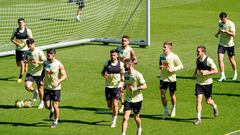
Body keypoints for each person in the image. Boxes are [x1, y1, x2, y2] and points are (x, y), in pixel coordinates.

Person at [193, 45, 219, 125]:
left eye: (198, 51)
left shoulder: (209, 60)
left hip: (208, 83)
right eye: (197, 51)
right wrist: (194, 74)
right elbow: (197, 68)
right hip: (199, 83)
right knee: (198, 100)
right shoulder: (197, 59)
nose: (197, 52)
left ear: (203, 52)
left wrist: (206, 72)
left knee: (208, 101)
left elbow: (216, 71)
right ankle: (198, 119)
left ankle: (214, 106)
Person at [122, 58, 147, 135]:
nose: (124, 65)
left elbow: (145, 86)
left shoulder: (137, 74)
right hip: (128, 99)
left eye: (125, 64)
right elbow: (127, 84)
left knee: (136, 118)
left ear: (130, 65)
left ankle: (139, 128)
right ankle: (123, 133)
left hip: (137, 100)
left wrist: (136, 88)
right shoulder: (125, 74)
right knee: (125, 118)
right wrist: (124, 88)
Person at [43, 48, 67, 128]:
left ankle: (55, 121)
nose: (48, 55)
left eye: (49, 54)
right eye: (47, 54)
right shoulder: (45, 63)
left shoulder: (59, 64)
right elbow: (44, 71)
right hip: (46, 87)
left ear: (54, 55)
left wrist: (57, 82)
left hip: (56, 89)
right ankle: (52, 110)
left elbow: (65, 76)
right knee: (47, 106)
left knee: (56, 105)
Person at [159, 41, 183, 119]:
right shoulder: (161, 56)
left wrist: (173, 69)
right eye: (163, 46)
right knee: (162, 95)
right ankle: (166, 110)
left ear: (170, 48)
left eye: (165, 47)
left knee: (172, 95)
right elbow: (160, 65)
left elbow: (181, 66)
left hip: (172, 79)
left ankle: (173, 108)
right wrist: (161, 67)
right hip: (163, 78)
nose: (163, 48)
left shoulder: (174, 56)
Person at [101, 49, 125, 128]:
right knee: (109, 105)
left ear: (117, 56)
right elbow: (102, 73)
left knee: (115, 104)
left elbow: (122, 76)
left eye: (114, 55)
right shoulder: (107, 63)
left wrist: (122, 85)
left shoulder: (121, 65)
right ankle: (113, 112)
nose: (112, 56)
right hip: (108, 87)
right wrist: (104, 74)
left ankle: (113, 121)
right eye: (111, 55)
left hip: (116, 87)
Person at [117, 35, 138, 113]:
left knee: (130, 89)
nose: (123, 42)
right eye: (122, 40)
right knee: (121, 90)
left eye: (125, 41)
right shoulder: (118, 49)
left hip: (128, 73)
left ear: (128, 42)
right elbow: (115, 58)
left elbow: (136, 61)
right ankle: (123, 105)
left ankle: (132, 104)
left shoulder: (130, 50)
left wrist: (128, 62)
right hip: (120, 72)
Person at [215, 12, 237, 81]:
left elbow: (233, 34)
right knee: (219, 59)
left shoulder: (231, 24)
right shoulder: (220, 22)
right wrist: (217, 34)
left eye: (223, 19)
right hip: (221, 44)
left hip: (230, 45)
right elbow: (220, 28)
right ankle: (223, 76)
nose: (222, 20)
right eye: (221, 19)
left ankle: (235, 72)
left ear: (226, 18)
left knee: (231, 60)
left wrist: (226, 32)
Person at [25, 38, 46, 109]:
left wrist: (38, 62)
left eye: (30, 45)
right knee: (27, 86)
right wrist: (26, 62)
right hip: (30, 72)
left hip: (39, 73)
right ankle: (34, 91)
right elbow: (27, 59)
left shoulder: (39, 52)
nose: (29, 47)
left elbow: (45, 62)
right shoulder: (27, 52)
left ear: (34, 44)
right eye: (28, 45)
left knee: (40, 88)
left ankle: (41, 102)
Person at [10, 18, 33, 83]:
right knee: (18, 64)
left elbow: (31, 39)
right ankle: (26, 64)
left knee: (22, 63)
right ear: (18, 23)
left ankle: (20, 77)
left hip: (25, 50)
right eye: (19, 23)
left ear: (24, 23)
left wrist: (26, 43)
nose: (21, 24)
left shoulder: (28, 30)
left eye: (22, 22)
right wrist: (16, 43)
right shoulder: (15, 30)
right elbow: (11, 39)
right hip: (18, 50)